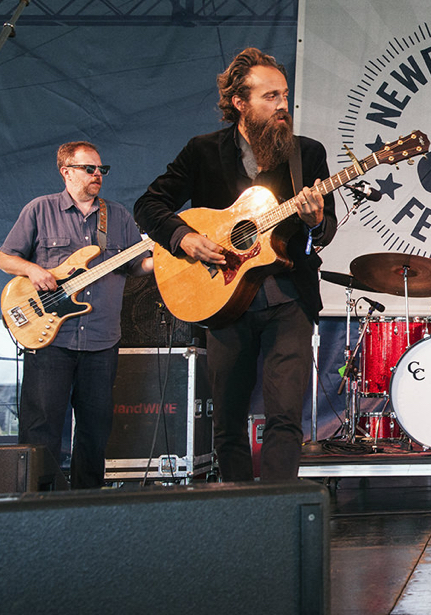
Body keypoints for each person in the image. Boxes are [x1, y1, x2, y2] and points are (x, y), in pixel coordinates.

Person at [133, 47, 336, 483]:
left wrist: (316, 221)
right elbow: (149, 204)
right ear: (239, 103)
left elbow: (326, 229)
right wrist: (184, 237)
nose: (283, 105)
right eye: (270, 97)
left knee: (285, 416)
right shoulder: (203, 151)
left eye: (284, 95)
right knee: (227, 421)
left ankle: (280, 513)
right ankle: (240, 514)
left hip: (289, 298)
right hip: (222, 300)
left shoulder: (307, 154)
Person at [0, 141, 153, 488]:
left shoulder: (118, 216)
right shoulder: (40, 209)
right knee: (42, 429)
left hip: (101, 340)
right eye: (90, 169)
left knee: (95, 431)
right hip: (51, 338)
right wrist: (34, 271)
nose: (98, 175)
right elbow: (5, 258)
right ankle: (38, 505)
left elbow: (135, 265)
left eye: (101, 170)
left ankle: (87, 506)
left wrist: (161, 257)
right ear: (66, 171)